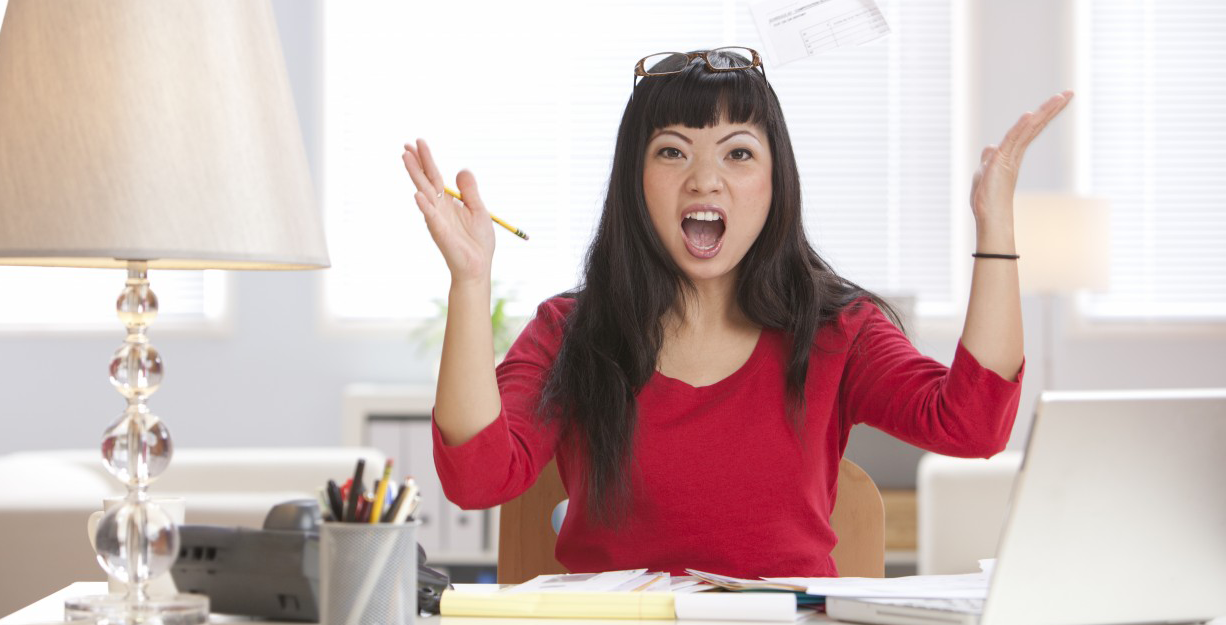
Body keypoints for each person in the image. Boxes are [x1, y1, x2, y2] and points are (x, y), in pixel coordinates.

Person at [401, 47, 1072, 578]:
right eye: (671, 152)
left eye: (738, 153)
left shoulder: (839, 328)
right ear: (634, 182)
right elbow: (477, 477)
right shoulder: (571, 331)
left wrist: (995, 228)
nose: (705, 179)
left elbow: (975, 424)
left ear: (773, 181)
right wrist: (470, 279)